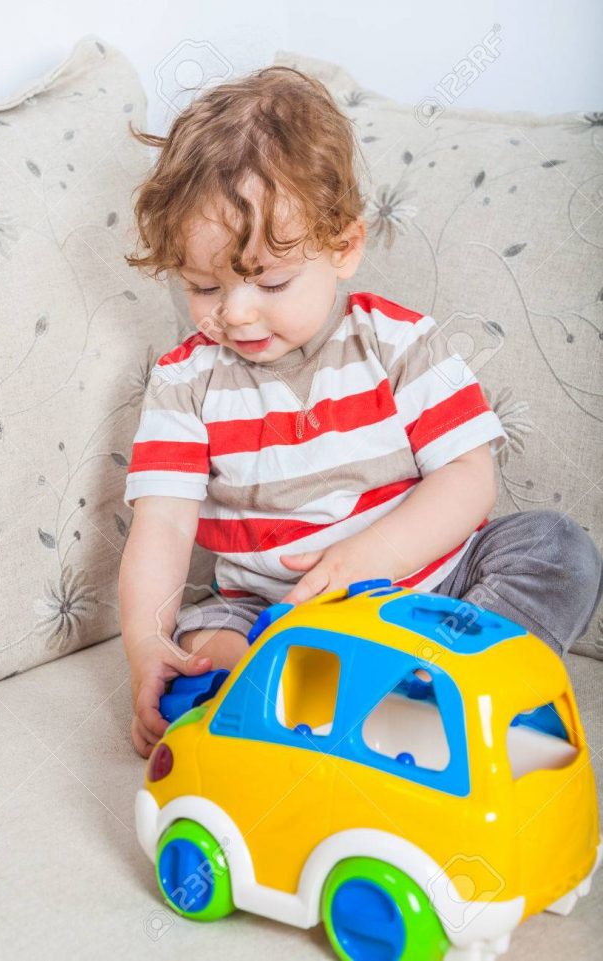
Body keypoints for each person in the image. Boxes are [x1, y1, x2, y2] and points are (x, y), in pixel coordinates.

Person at [118, 66, 603, 758]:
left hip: (434, 592)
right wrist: (146, 643)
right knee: (207, 640)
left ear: (344, 247)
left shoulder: (399, 345)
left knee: (558, 550)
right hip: (273, 613)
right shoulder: (184, 382)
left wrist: (365, 558)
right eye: (203, 286)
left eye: (271, 281)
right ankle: (281, 717)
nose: (234, 311)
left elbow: (469, 477)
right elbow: (162, 525)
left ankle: (451, 683)